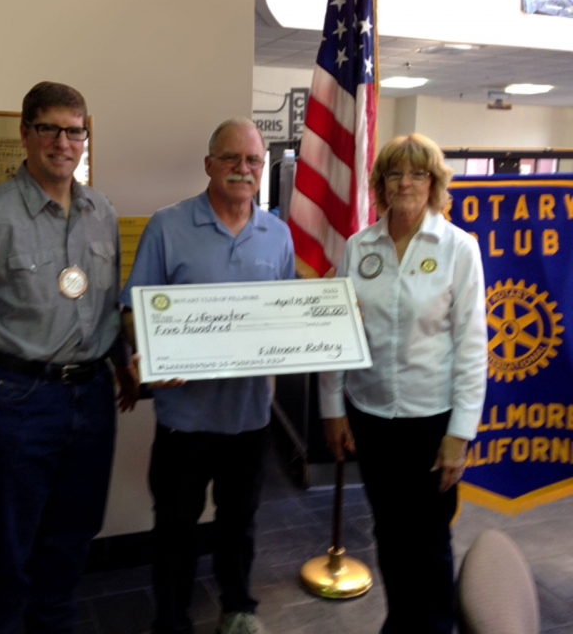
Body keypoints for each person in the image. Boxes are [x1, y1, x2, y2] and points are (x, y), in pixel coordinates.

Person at [0, 81, 139, 634]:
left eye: (75, 131)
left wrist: (121, 363)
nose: (63, 142)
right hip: (23, 399)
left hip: (92, 396)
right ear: (25, 133)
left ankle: (54, 623)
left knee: (74, 531)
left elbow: (104, 304)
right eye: (49, 128)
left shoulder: (102, 212)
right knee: (10, 537)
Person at [120, 117, 295, 634]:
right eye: (232, 159)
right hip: (184, 420)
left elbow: (285, 317)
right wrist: (148, 352)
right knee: (174, 527)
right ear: (209, 165)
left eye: (253, 161)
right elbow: (133, 310)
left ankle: (239, 608)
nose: (243, 169)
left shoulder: (277, 235)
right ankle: (171, 619)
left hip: (249, 418)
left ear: (263, 169)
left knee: (239, 523)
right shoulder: (167, 226)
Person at [319, 134, 487, 634]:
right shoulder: (358, 246)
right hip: (370, 417)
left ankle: (434, 627)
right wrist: (333, 409)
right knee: (388, 534)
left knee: (429, 539)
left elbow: (473, 348)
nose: (406, 183)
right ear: (381, 184)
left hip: (430, 422)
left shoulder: (459, 249)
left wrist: (460, 434)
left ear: (434, 183)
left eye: (417, 174)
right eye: (395, 174)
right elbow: (339, 332)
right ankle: (400, 622)